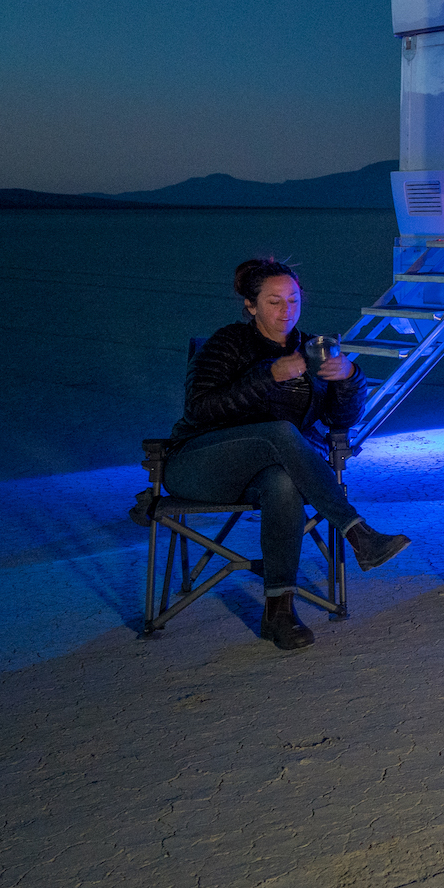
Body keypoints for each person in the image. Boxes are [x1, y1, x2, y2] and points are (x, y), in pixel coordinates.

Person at [165, 258, 411, 650]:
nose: (286, 311)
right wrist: (269, 376)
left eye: (293, 300)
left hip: (266, 475)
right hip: (201, 465)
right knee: (280, 431)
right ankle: (358, 532)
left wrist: (349, 378)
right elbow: (199, 409)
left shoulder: (312, 350)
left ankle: (278, 612)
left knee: (282, 482)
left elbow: (340, 421)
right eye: (274, 302)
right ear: (251, 306)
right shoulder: (227, 343)